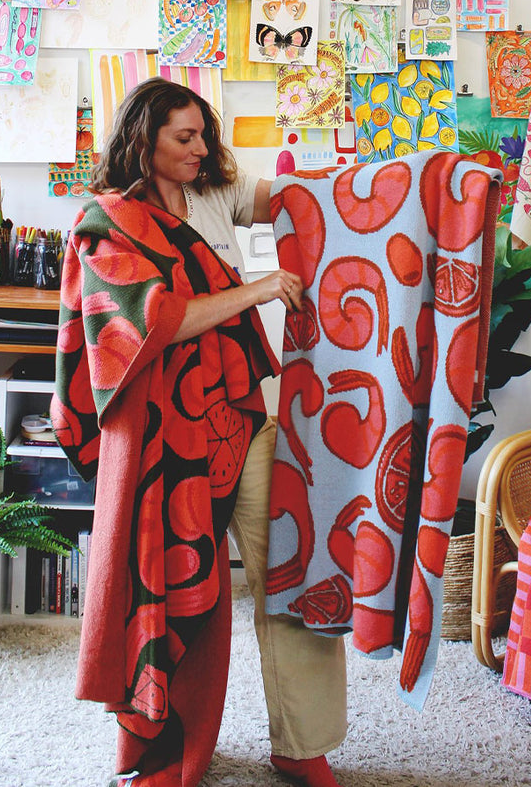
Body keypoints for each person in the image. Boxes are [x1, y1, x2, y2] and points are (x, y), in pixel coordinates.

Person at [50, 78, 347, 787]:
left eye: (203, 134)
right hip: (166, 442)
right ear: (141, 140)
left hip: (247, 412)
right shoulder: (109, 221)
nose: (200, 148)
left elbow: (302, 198)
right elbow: (157, 320)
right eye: (183, 137)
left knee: (288, 570)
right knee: (174, 587)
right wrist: (258, 288)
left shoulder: (218, 189)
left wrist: (404, 179)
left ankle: (302, 743)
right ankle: (166, 744)